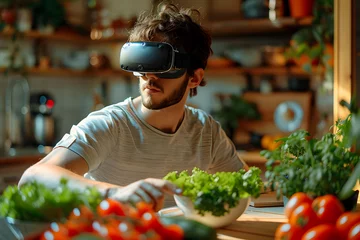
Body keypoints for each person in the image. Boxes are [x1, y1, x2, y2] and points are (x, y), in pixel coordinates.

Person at [19, 2, 248, 211]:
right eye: (144, 65)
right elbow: (33, 178)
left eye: (162, 67)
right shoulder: (110, 124)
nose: (149, 77)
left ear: (195, 78)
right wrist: (114, 193)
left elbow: (246, 187)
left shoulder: (205, 131)